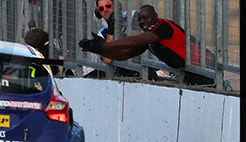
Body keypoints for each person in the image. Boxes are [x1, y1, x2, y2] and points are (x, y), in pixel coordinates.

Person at [78, 5, 214, 85]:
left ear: (155, 16)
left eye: (146, 17)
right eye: (140, 19)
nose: (143, 22)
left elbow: (134, 41)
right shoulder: (150, 39)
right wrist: (98, 50)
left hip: (206, 67)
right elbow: (123, 54)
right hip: (191, 71)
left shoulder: (163, 27)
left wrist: (103, 46)